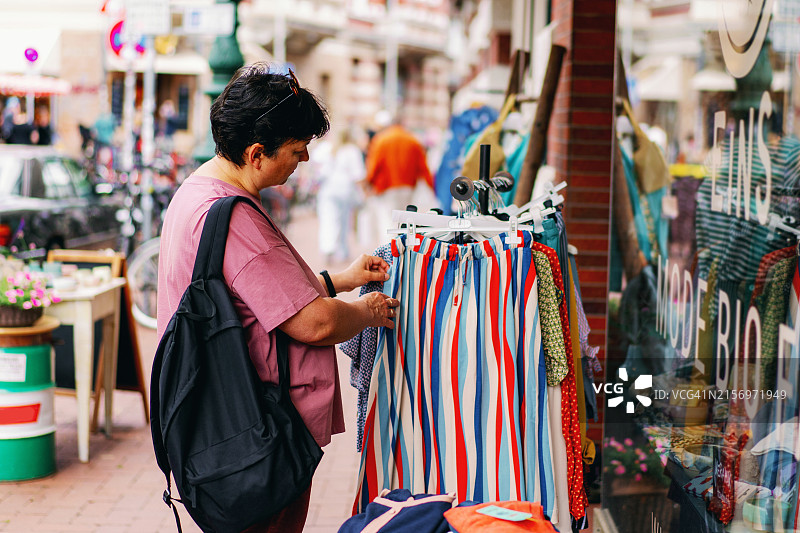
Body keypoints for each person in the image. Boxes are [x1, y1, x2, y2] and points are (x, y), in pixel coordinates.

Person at [156, 62, 399, 533]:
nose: (303, 160)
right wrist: (367, 310)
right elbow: (315, 324)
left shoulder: (197, 190)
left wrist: (341, 280)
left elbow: (256, 297)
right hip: (259, 432)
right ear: (256, 153)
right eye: (296, 150)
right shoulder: (236, 218)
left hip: (225, 426)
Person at [361, 110, 434, 248]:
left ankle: (389, 254)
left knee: (387, 223)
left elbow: (374, 165)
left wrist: (368, 183)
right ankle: (401, 252)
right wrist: (432, 186)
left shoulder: (381, 139)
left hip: (386, 188)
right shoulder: (412, 139)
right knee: (403, 222)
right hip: (407, 187)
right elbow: (423, 167)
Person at [314, 126, 366, 265]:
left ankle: (328, 248)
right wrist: (363, 193)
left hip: (327, 189)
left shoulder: (326, 148)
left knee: (327, 219)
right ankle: (342, 252)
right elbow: (358, 174)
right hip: (345, 190)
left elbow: (316, 167)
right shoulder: (351, 150)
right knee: (343, 221)